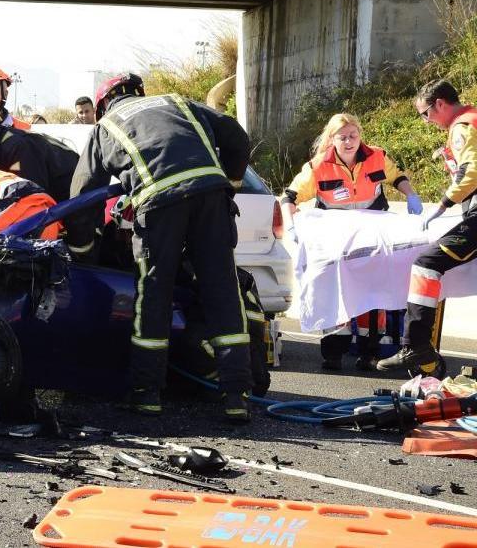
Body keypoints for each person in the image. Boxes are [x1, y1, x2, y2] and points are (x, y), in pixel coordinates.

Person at [68, 73, 253, 422]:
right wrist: (229, 184)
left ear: (104, 103)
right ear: (139, 92)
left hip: (158, 205)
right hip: (210, 199)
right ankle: (235, 396)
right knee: (223, 292)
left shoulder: (106, 126)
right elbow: (237, 138)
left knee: (154, 295)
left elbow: (81, 196)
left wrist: (82, 250)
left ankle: (147, 394)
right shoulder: (178, 102)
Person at [281, 113, 421, 371]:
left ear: (360, 136)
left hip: (371, 238)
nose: (349, 141)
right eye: (342, 137)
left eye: (353, 135)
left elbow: (396, 177)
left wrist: (411, 194)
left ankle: (369, 352)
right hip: (336, 240)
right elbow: (289, 197)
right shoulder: (318, 166)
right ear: (332, 139)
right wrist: (291, 225)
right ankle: (333, 352)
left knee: (372, 293)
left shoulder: (376, 156)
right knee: (336, 293)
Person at [378, 80, 477, 376]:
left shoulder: (462, 126)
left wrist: (444, 204)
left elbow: (472, 171)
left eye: (425, 113)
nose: (426, 120)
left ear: (440, 104)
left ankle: (416, 344)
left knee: (426, 264)